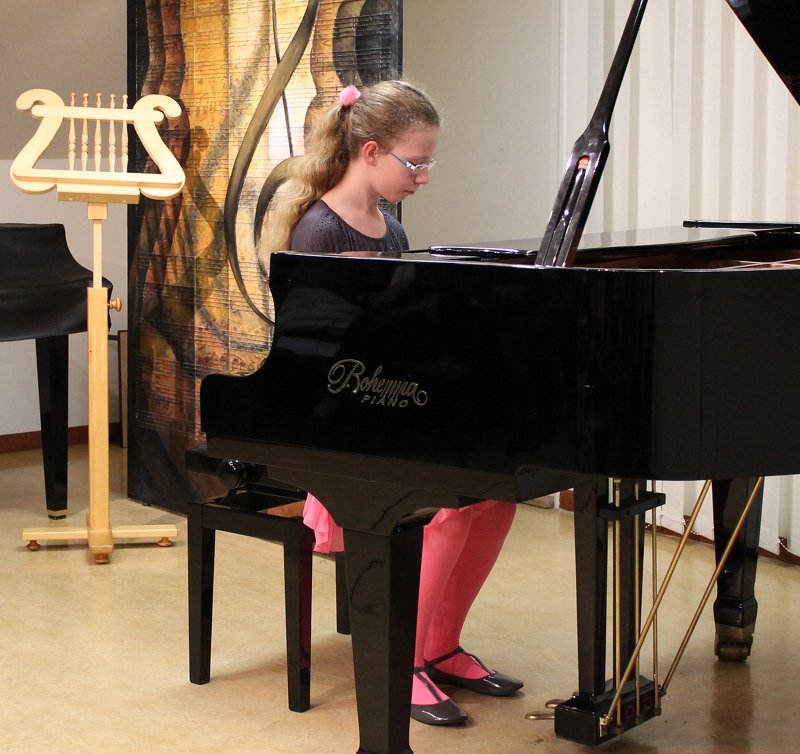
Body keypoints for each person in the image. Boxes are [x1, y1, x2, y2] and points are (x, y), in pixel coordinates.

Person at [259, 79, 522, 726]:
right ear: (371, 151)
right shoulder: (319, 229)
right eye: (415, 163)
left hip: (385, 403)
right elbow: (323, 351)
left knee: (497, 495)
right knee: (447, 506)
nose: (423, 177)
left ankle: (441, 647)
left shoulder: (392, 230)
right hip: (338, 416)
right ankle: (403, 661)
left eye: (430, 164)